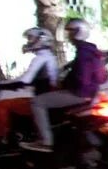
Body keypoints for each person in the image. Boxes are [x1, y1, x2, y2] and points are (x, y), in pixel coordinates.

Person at [21, 18, 103, 153]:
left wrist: (65, 83)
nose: (69, 36)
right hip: (90, 92)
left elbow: (81, 77)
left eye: (71, 32)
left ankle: (45, 141)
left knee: (37, 102)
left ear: (79, 32)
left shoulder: (83, 52)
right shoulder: (90, 50)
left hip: (79, 93)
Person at [0, 27, 59, 141]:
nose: (28, 42)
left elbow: (25, 80)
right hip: (43, 92)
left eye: (31, 38)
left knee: (2, 103)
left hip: (40, 96)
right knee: (6, 95)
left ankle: (1, 138)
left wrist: (0, 85)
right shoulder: (48, 56)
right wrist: (5, 83)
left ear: (41, 39)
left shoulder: (41, 58)